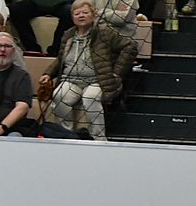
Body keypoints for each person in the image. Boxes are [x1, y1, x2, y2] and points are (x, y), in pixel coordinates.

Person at [39, 0, 137, 141]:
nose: (81, 16)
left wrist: (117, 72)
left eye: (85, 12)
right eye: (77, 13)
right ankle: (67, 135)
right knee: (59, 95)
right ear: (72, 17)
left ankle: (99, 139)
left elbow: (130, 46)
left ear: (94, 14)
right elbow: (61, 59)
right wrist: (48, 74)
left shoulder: (104, 32)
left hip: (97, 81)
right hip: (71, 80)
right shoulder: (68, 35)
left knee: (90, 97)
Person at [8, 0, 73, 56]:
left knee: (70, 12)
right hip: (35, 3)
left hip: (63, 3)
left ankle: (56, 50)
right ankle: (33, 49)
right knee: (16, 9)